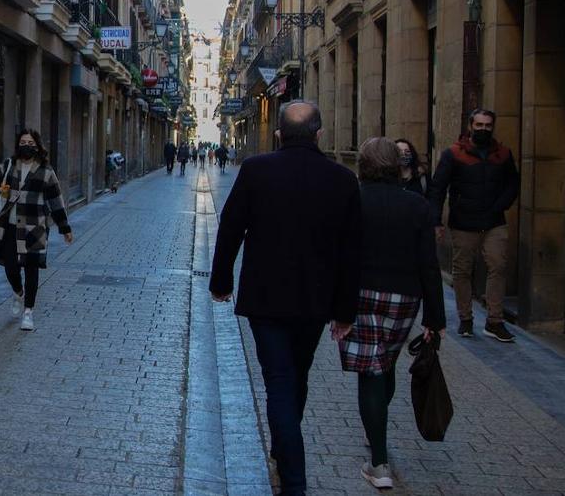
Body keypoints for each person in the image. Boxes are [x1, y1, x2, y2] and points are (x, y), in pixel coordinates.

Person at [210, 101, 362, 496]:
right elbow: (352, 251)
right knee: (297, 375)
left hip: (265, 298)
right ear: (319, 134)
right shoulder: (343, 180)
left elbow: (230, 228)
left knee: (279, 381)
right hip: (315, 301)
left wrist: (220, 281)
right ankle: (287, 458)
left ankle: (291, 476)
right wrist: (345, 310)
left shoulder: (257, 170)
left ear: (278, 135)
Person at [339, 137, 446, 490]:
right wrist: (434, 319)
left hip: (361, 294)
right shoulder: (417, 207)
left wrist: (333, 305)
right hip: (404, 300)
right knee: (384, 364)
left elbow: (339, 255)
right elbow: (429, 266)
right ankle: (377, 431)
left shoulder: (352, 200)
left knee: (370, 371)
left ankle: (379, 462)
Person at [426, 109, 520, 342]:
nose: (483, 129)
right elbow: (438, 188)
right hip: (464, 222)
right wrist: (435, 221)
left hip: (494, 221)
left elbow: (513, 183)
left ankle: (495, 321)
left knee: (498, 265)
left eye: (488, 125)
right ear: (470, 126)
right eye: (479, 125)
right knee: (463, 270)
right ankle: (465, 319)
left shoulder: (503, 154)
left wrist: (500, 205)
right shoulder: (454, 154)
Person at [0, 129, 74, 332]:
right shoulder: (7, 166)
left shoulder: (46, 171)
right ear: (18, 145)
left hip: (34, 228)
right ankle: (18, 292)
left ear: (37, 146)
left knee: (32, 269)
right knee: (10, 267)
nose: (27, 145)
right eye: (23, 142)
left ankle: (28, 312)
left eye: (31, 142)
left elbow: (56, 201)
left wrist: (65, 228)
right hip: (8, 227)